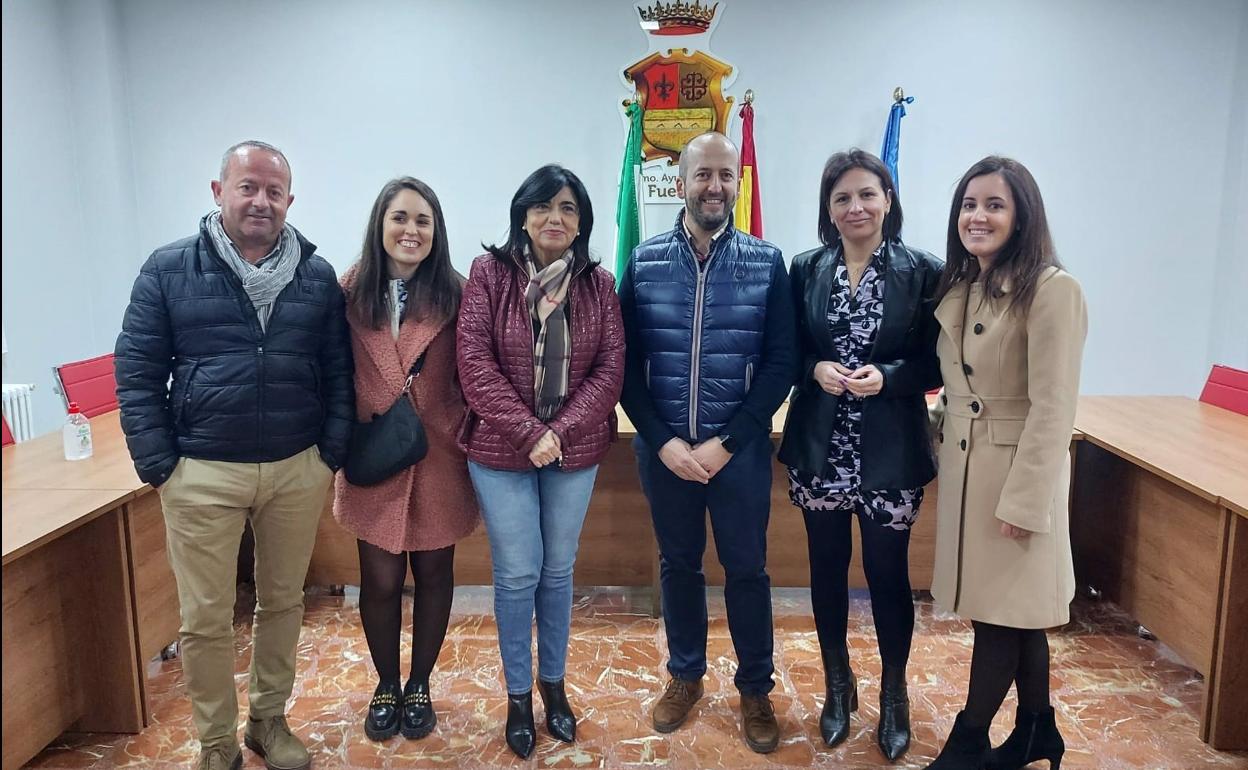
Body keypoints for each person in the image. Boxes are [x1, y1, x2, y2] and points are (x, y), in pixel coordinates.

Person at [115, 140, 354, 770]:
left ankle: (268, 724)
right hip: (201, 472)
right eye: (248, 186)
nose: (261, 201)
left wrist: (327, 455)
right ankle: (217, 742)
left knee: (282, 603)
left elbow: (337, 371)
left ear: (290, 201)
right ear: (218, 191)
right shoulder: (168, 269)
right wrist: (162, 467)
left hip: (295, 469)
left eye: (274, 191)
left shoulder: (316, 275)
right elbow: (137, 373)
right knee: (206, 618)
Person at [618, 131, 798, 754]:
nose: (715, 186)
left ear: (736, 183)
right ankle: (685, 676)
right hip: (665, 453)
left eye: (726, 175)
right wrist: (663, 440)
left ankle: (754, 689)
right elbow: (624, 364)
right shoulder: (642, 263)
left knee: (747, 570)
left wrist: (728, 440)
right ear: (682, 181)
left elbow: (781, 363)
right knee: (678, 565)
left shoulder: (766, 262)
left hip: (738, 452)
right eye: (703, 175)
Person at [777, 149, 943, 761]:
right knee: (826, 571)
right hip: (822, 448)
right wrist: (813, 366)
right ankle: (837, 686)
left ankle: (893, 691)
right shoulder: (805, 269)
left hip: (889, 452)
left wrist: (892, 376)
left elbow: (937, 360)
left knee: (887, 575)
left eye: (867, 194)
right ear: (828, 208)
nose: (856, 207)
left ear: (888, 199)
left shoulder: (924, 271)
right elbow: (783, 351)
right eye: (842, 197)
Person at [924, 157, 1087, 769]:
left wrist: (1024, 502)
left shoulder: (1051, 290)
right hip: (970, 473)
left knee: (999, 618)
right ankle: (1037, 731)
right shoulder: (966, 286)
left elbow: (1054, 411)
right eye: (969, 204)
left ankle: (967, 743)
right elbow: (960, 386)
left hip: (1016, 479)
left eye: (994, 205)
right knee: (1014, 616)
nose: (978, 216)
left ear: (1022, 215)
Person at [457, 164, 624, 759]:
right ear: (522, 214)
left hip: (574, 453)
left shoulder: (599, 286)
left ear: (582, 221)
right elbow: (474, 364)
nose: (556, 218)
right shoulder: (489, 274)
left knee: (558, 572)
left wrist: (561, 431)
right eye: (543, 207)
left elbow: (609, 371)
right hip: (501, 452)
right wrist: (530, 432)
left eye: (569, 208)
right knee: (519, 574)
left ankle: (554, 687)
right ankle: (518, 697)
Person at [333, 177, 479, 742]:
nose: (410, 230)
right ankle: (386, 683)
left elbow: (478, 371)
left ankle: (420, 684)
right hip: (373, 454)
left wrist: (459, 425)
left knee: (436, 572)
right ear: (380, 225)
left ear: (436, 230)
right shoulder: (349, 292)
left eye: (423, 220)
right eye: (400, 218)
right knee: (380, 579)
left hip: (439, 453)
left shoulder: (458, 293)